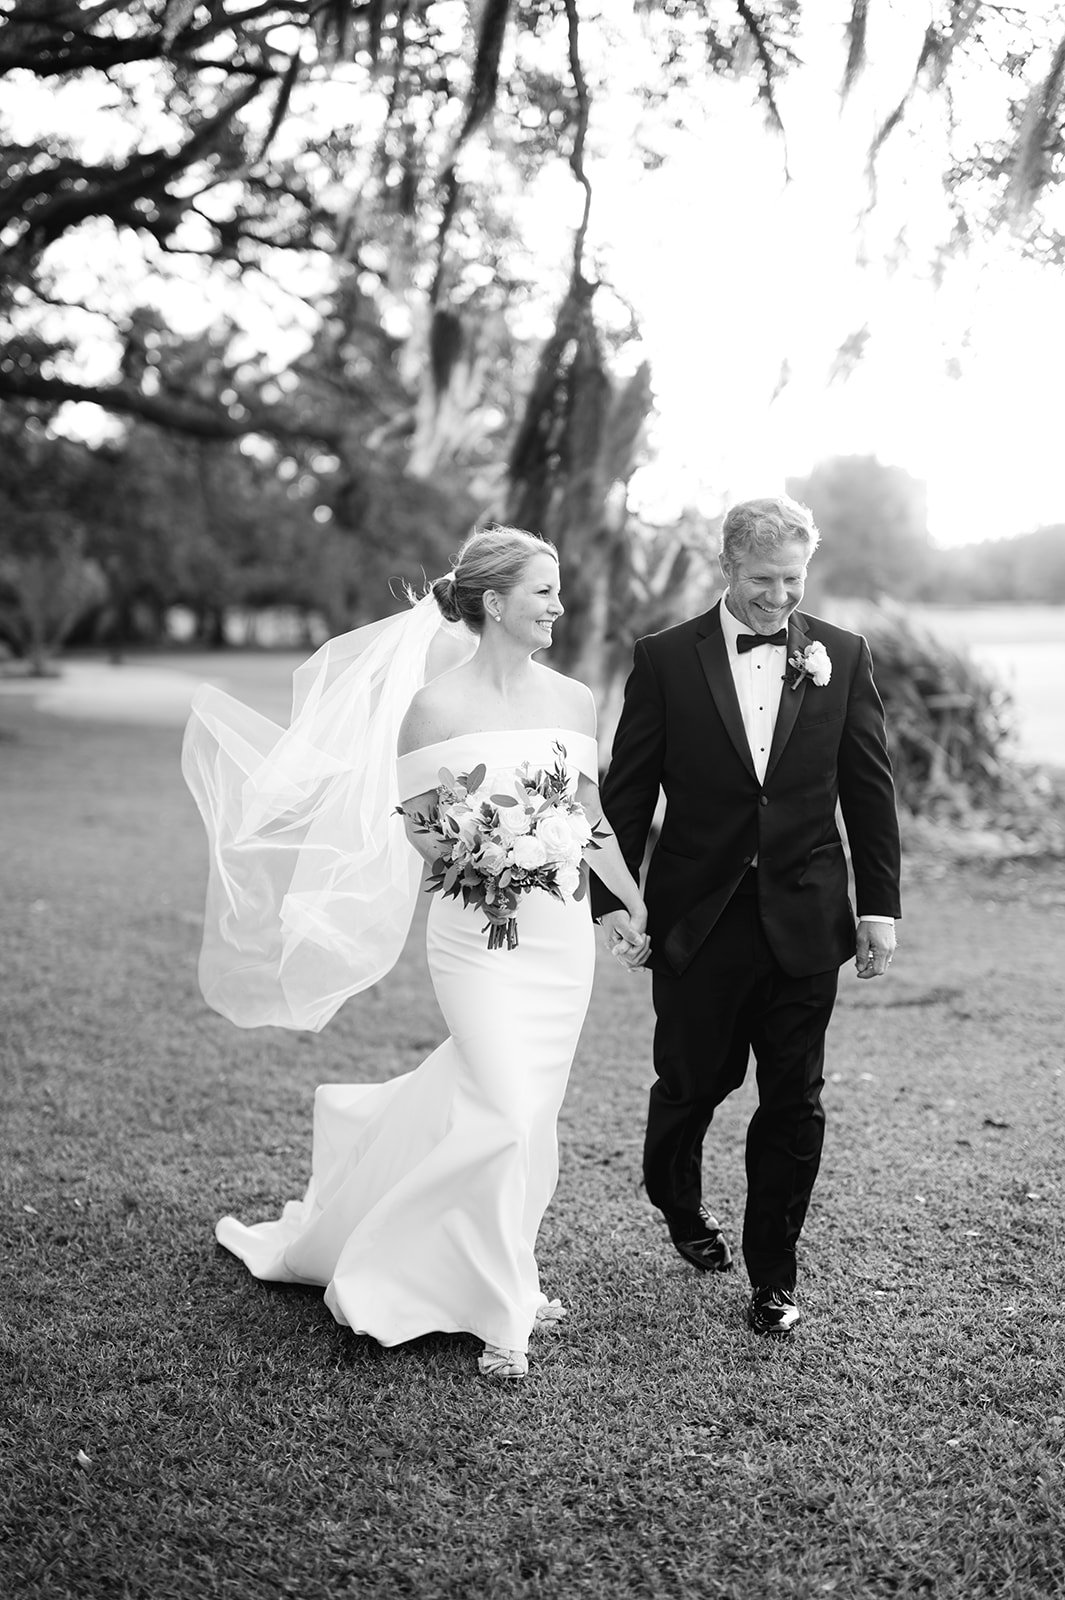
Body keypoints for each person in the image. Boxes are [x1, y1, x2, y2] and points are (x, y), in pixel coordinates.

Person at [182, 526, 648, 1380]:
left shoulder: (576, 701)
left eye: (557, 590)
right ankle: (504, 1312)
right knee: (507, 1110)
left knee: (527, 1115)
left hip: (554, 935)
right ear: (495, 602)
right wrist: (483, 848)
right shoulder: (432, 709)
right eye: (543, 591)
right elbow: (419, 826)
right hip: (473, 934)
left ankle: (508, 1265)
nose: (558, 605)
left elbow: (591, 814)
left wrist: (623, 900)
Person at [590, 495, 901, 1337]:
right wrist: (613, 902)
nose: (778, 598)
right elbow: (625, 795)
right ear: (725, 568)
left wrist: (878, 908)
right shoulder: (663, 659)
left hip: (806, 917)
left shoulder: (842, 653)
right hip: (697, 919)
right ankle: (676, 1201)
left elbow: (868, 791)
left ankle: (772, 1276)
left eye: (792, 580)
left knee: (794, 1101)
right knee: (692, 1086)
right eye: (762, 580)